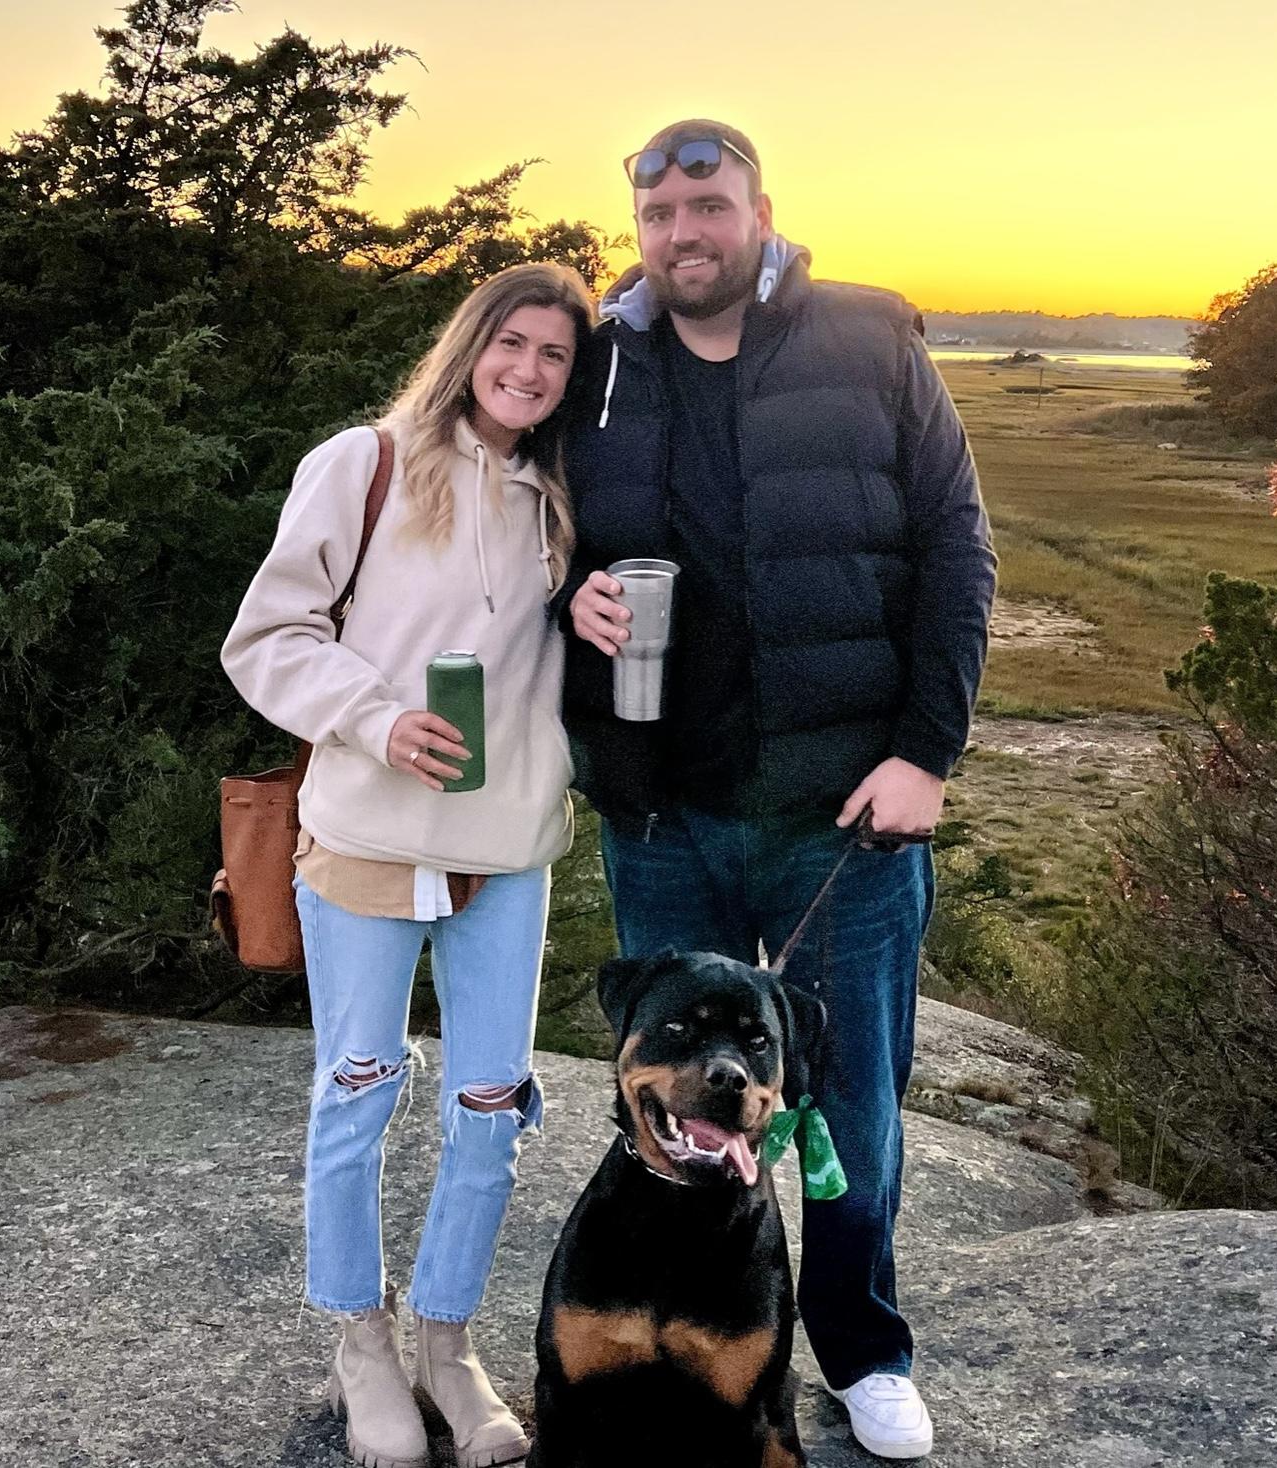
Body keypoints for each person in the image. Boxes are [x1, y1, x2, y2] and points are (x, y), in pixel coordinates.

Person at [558, 122, 996, 1461]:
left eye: (709, 205)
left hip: (841, 817)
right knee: (677, 1097)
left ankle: (860, 1349)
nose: (683, 232)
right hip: (663, 816)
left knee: (847, 1103)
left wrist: (926, 752)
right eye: (659, 213)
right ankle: (688, 1340)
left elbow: (957, 548)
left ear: (759, 212)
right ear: (638, 227)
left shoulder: (869, 338)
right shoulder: (599, 365)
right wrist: (565, 603)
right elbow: (535, 536)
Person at [222, 262, 595, 1468]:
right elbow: (267, 636)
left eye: (555, 354)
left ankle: (446, 1339)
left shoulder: (561, 499)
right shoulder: (364, 463)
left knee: (491, 1108)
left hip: (507, 851)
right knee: (358, 1091)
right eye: (512, 342)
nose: (528, 369)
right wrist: (375, 719)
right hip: (368, 838)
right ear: (470, 344)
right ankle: (359, 1343)